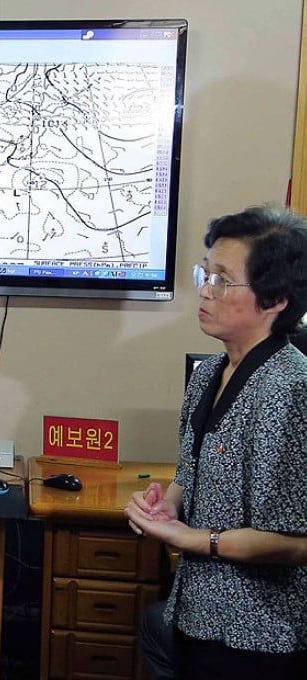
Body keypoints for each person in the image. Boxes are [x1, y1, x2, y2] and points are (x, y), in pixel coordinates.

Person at [125, 205, 307, 679]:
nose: (205, 291)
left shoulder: (290, 388)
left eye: (223, 280)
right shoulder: (208, 372)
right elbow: (192, 472)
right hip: (197, 614)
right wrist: (168, 505)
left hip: (259, 632)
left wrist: (190, 538)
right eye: (205, 273)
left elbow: (295, 541)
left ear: (275, 300)